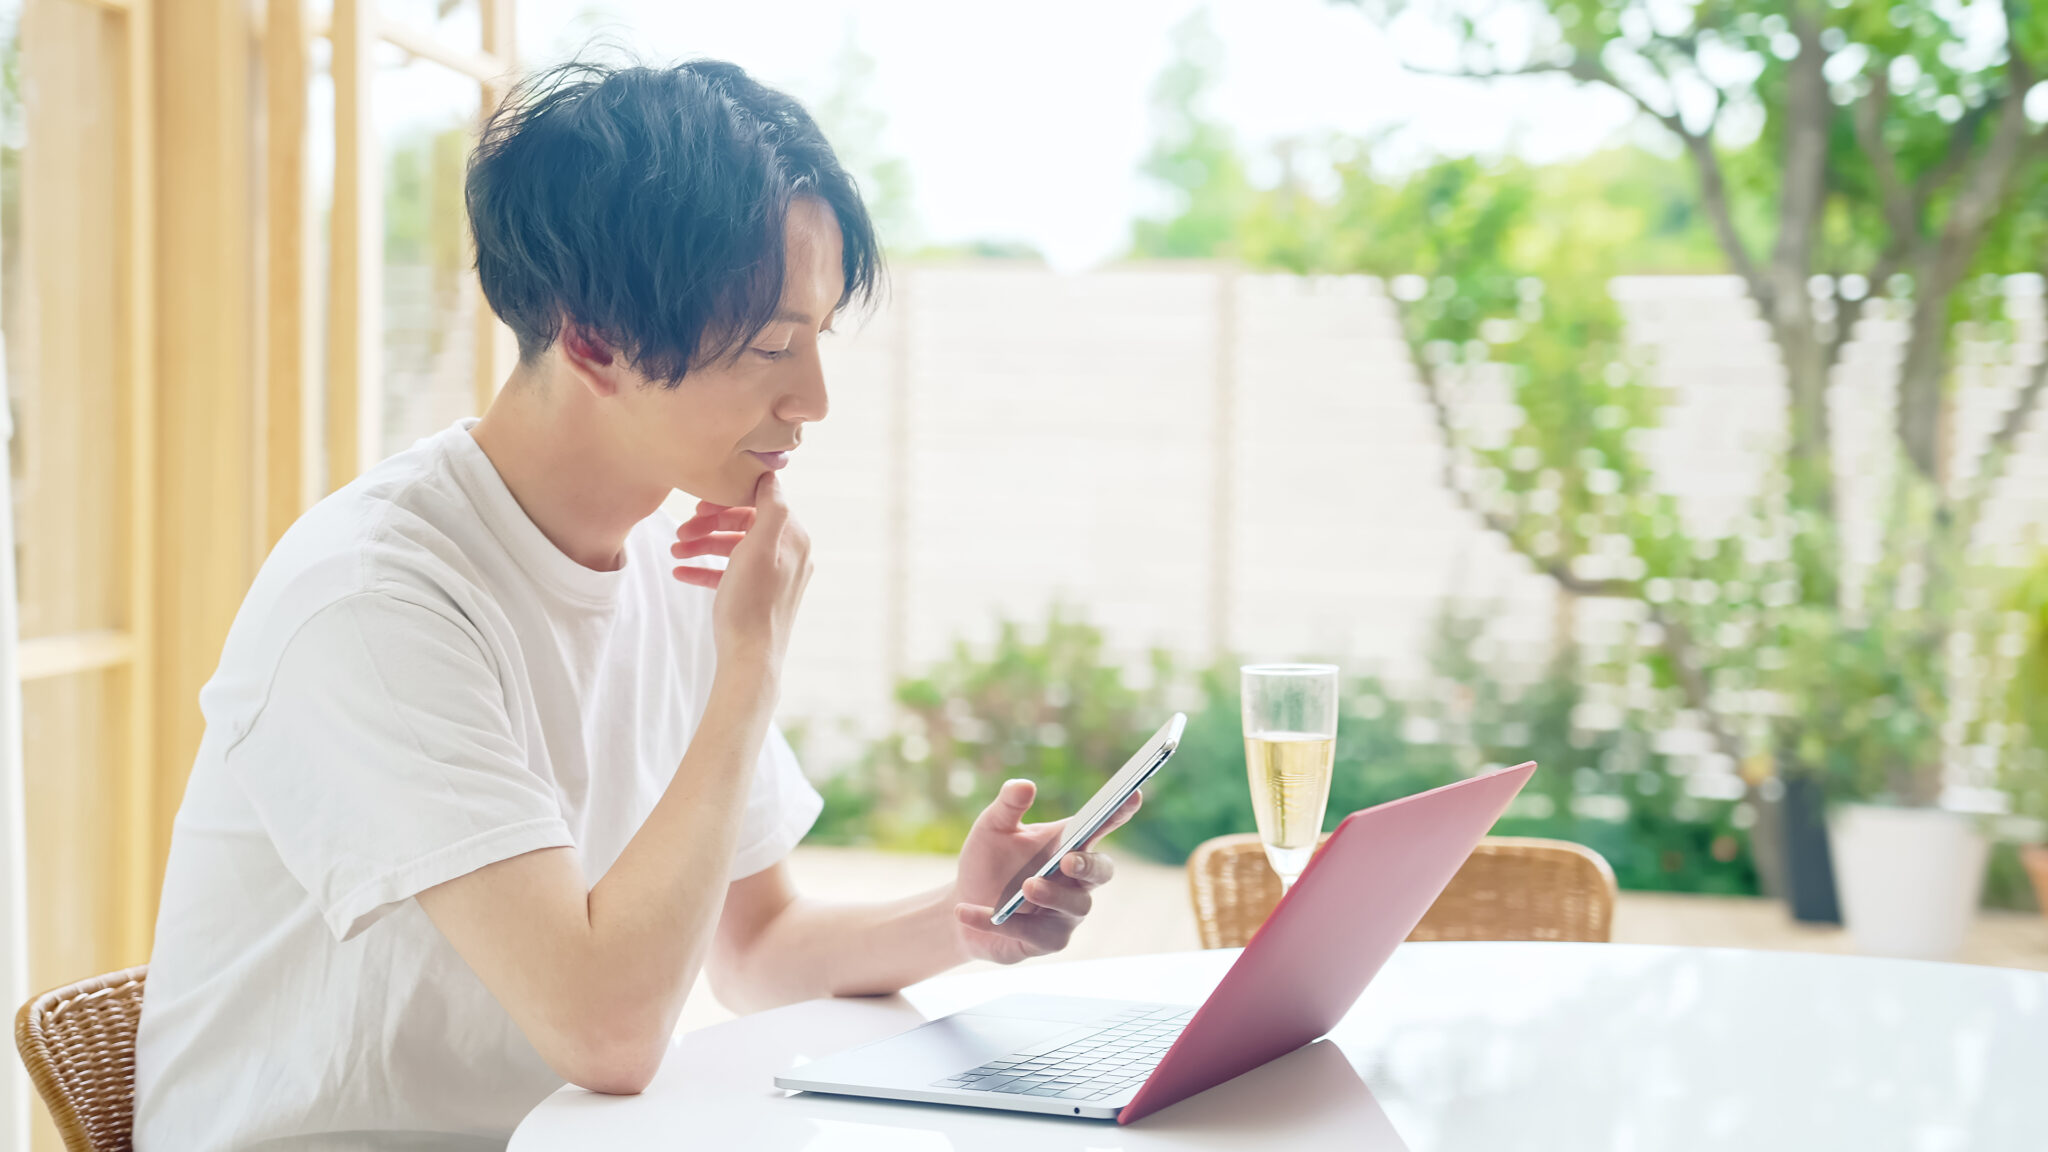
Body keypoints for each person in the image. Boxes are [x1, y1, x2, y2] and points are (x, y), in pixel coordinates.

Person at [133, 59, 1139, 1150]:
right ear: (593, 340)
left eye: (816, 339)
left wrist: (965, 918)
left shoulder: (673, 555)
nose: (811, 401)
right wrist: (746, 665)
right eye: (769, 345)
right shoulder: (374, 603)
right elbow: (606, 1033)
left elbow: (757, 947)